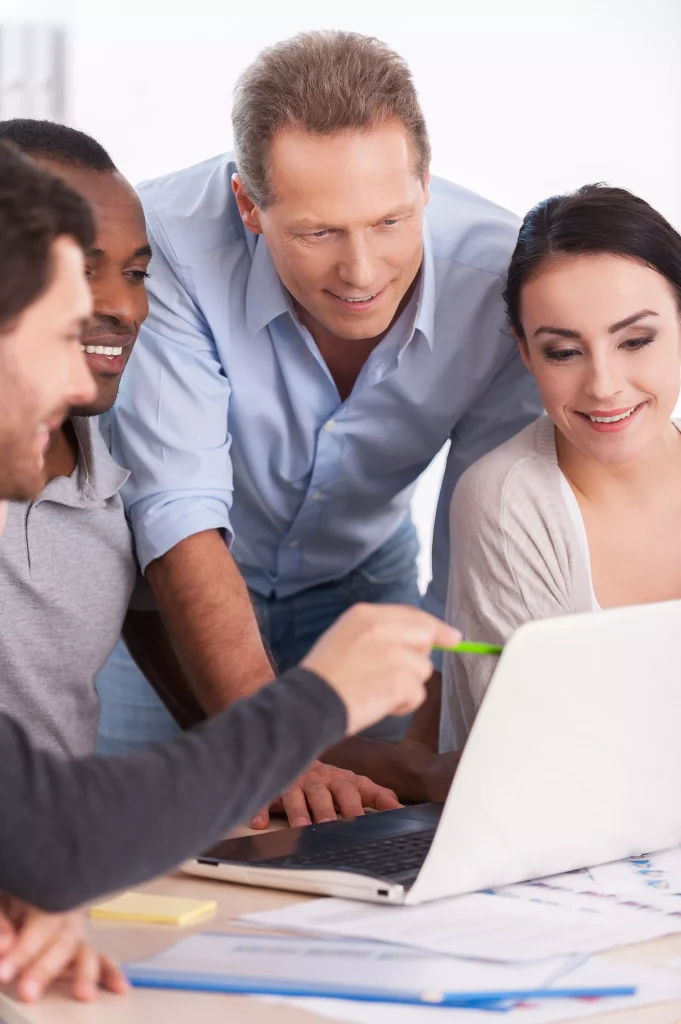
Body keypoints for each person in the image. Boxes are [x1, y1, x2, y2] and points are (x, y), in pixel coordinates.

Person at [0, 139, 460, 1003]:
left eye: (134, 274)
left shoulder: (99, 476)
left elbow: (46, 811)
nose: (110, 326)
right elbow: (54, 825)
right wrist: (317, 699)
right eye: (61, 324)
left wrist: (38, 869)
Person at [100, 29, 541, 787]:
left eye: (390, 222)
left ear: (424, 182)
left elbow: (482, 526)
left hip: (366, 586)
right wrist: (276, 757)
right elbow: (177, 508)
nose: (361, 272)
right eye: (317, 232)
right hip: (176, 596)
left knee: (389, 827)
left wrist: (422, 757)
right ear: (248, 204)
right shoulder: (166, 241)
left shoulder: (503, 276)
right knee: (145, 839)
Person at [0, 118, 401, 824]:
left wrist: (286, 763)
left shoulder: (104, 466)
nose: (123, 306)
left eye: (135, 274)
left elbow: (192, 696)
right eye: (79, 271)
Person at [441, 183, 681, 752]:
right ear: (526, 352)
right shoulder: (505, 504)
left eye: (635, 340)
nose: (604, 385)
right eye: (564, 352)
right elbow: (543, 757)